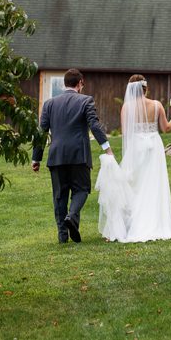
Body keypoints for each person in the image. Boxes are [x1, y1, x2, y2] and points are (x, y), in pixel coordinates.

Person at [33, 69, 113, 244]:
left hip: (57, 156)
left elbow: (41, 131)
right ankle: (72, 216)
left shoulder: (49, 104)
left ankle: (63, 236)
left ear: (65, 83)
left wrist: (36, 158)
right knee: (82, 189)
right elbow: (94, 125)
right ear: (80, 83)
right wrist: (106, 147)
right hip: (79, 155)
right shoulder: (86, 101)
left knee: (60, 196)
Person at [96, 74, 171, 243]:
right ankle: (154, 221)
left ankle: (132, 224)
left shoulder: (127, 107)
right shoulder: (157, 105)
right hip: (154, 146)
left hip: (136, 146)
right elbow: (166, 128)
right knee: (153, 184)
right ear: (145, 88)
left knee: (135, 184)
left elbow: (126, 134)